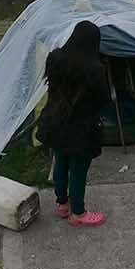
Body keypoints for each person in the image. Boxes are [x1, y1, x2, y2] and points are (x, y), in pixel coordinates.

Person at [38, 20, 110, 228]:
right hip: (81, 128)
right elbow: (103, 99)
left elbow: (51, 87)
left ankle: (62, 204)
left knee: (60, 161)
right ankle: (78, 213)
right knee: (78, 169)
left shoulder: (55, 58)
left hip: (55, 122)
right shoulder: (94, 68)